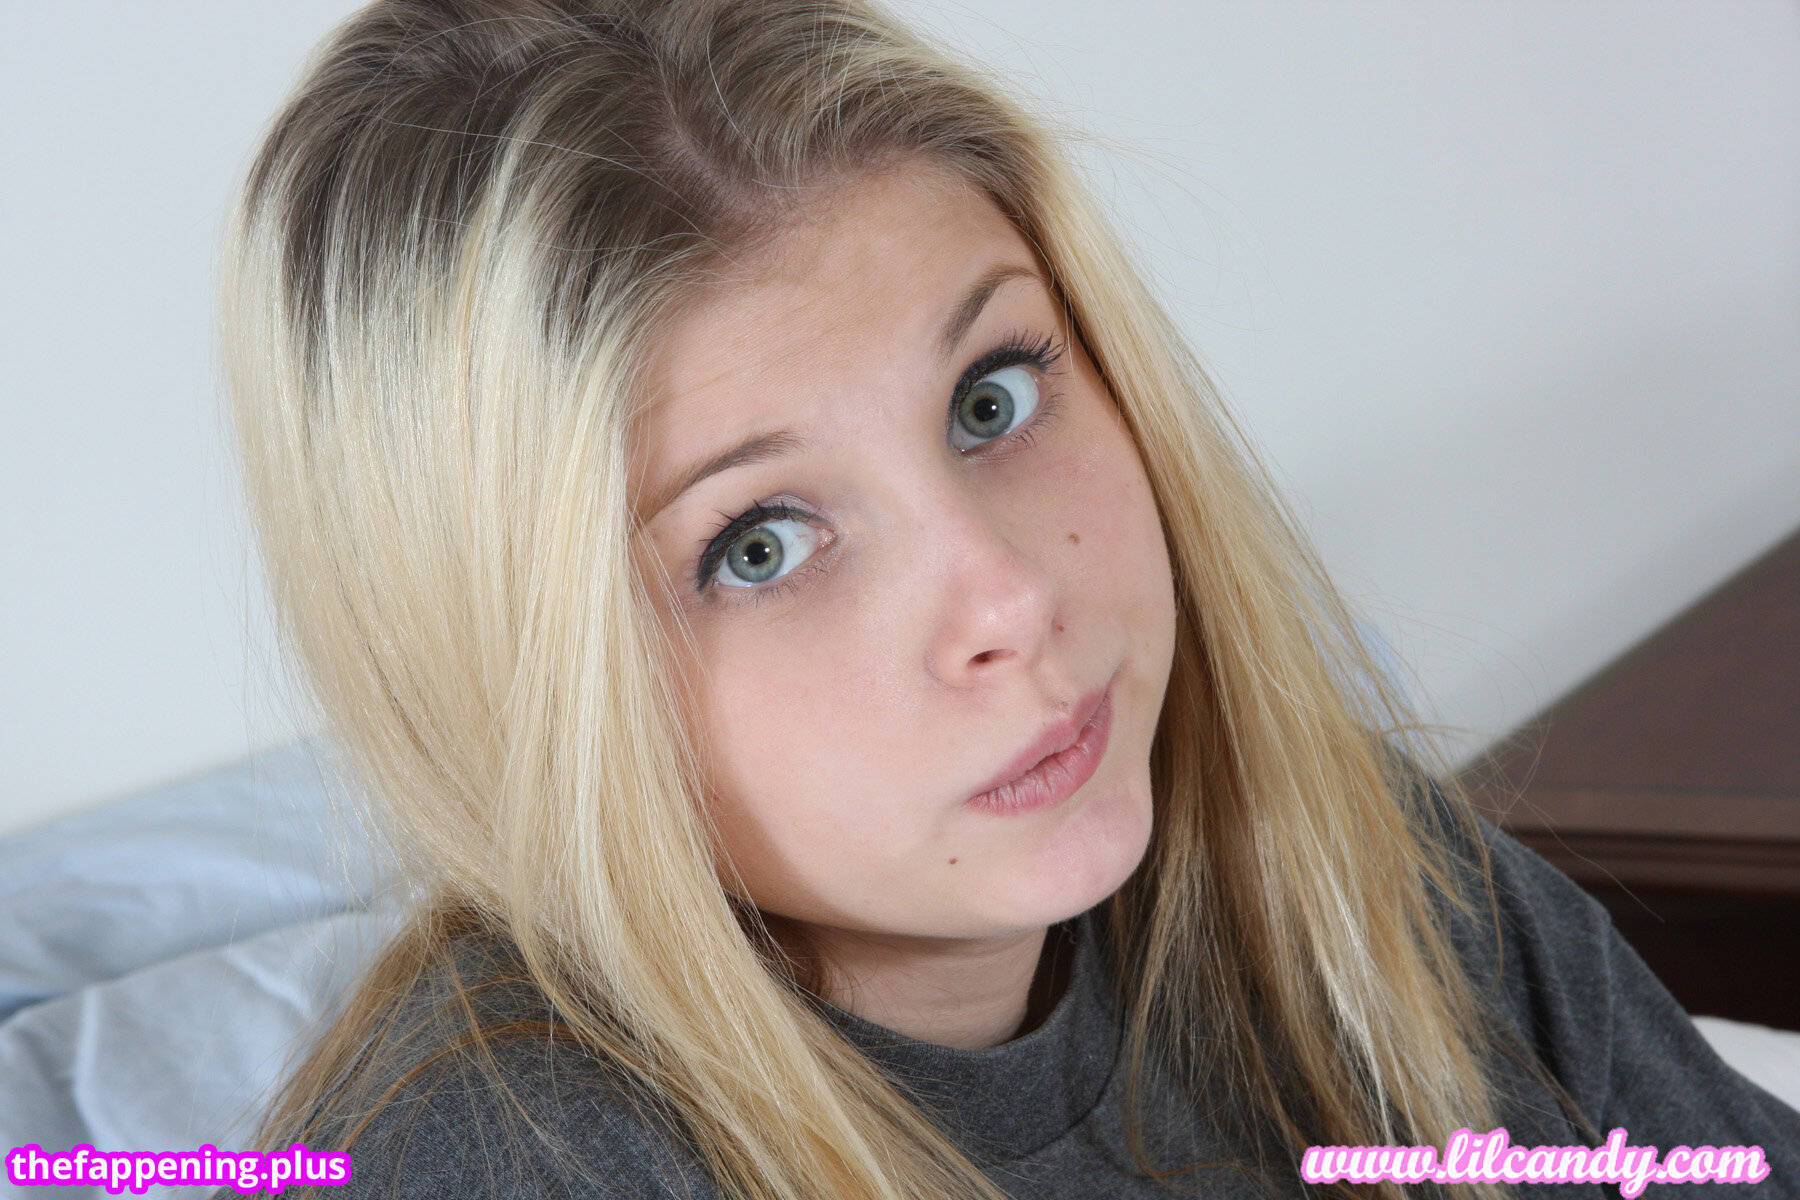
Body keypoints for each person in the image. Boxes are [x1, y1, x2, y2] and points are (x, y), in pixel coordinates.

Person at [217, 0, 1800, 1197]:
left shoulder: (1348, 880)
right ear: (510, 682)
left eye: (992, 399)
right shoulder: (514, 1164)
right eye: (757, 544)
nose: (1013, 600)